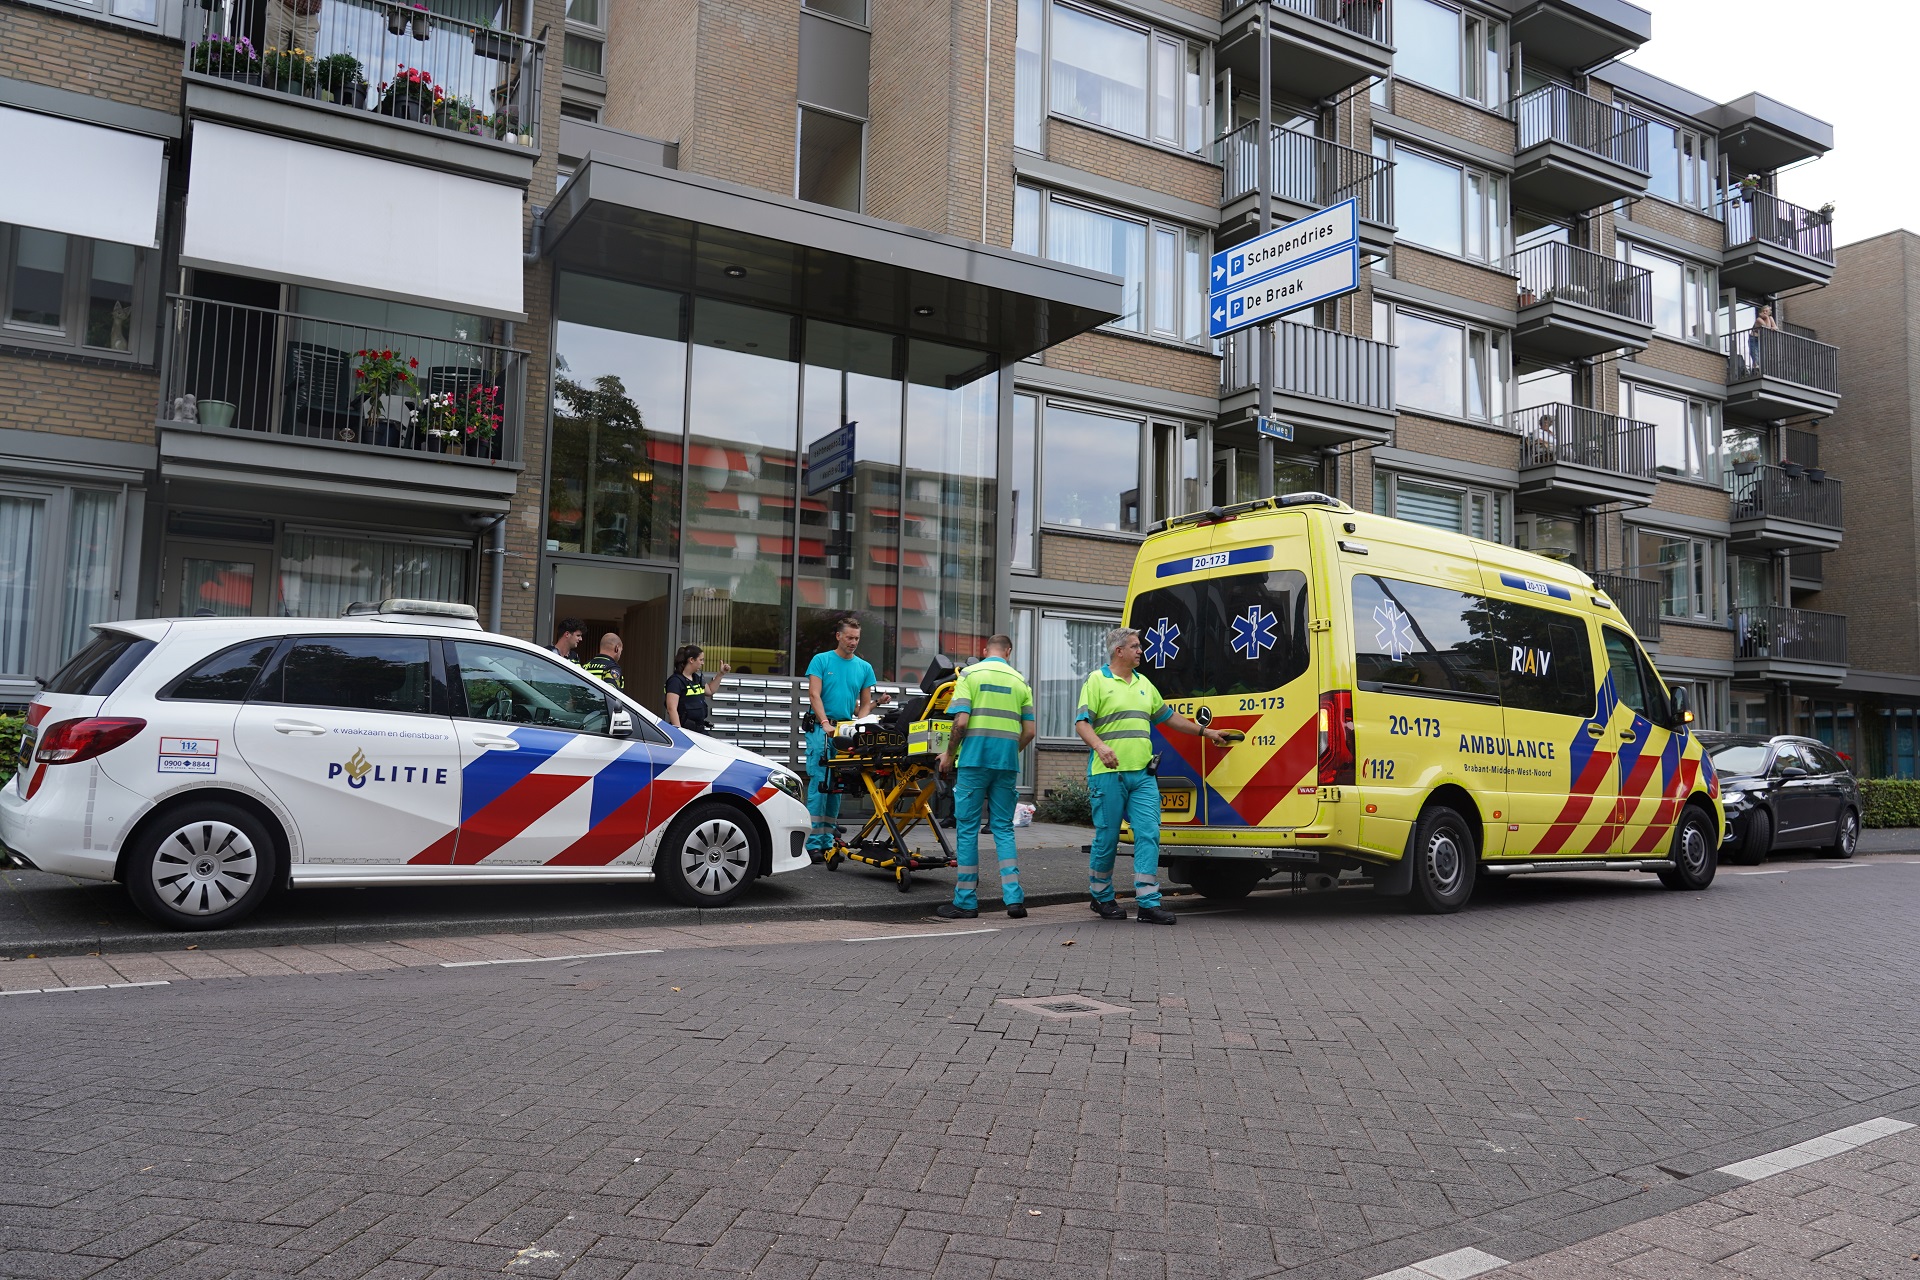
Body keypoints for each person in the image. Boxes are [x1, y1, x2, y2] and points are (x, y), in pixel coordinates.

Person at [1076, 627, 1231, 925]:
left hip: (1142, 775)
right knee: (1107, 839)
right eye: (1135, 646)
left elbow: (1168, 717)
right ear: (1118, 651)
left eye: (1140, 646)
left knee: (1148, 833)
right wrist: (1100, 746)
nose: (1140, 651)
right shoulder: (1097, 681)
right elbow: (1082, 723)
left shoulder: (1144, 683)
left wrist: (1207, 731)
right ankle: (1100, 896)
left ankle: (1148, 903)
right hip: (1107, 774)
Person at [935, 635, 1037, 921]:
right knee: (1003, 828)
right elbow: (1029, 732)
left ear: (984, 652)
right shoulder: (1021, 681)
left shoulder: (970, 674)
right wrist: (1008, 752)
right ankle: (1014, 899)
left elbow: (961, 721)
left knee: (967, 829)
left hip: (974, 761)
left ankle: (966, 902)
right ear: (1009, 652)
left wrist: (949, 755)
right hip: (1005, 764)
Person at [803, 614, 889, 859]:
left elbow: (863, 705)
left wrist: (860, 726)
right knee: (821, 783)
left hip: (845, 730)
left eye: (857, 638)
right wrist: (825, 723)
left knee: (837, 787)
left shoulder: (864, 668)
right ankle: (813, 844)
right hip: (822, 729)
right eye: (849, 637)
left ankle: (828, 840)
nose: (853, 642)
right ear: (838, 636)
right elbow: (814, 695)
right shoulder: (821, 661)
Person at [665, 644, 731, 733]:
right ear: (691, 660)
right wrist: (679, 733)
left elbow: (710, 691)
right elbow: (671, 708)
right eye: (701, 660)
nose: (702, 663)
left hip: (699, 729)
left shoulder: (696, 678)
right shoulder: (675, 681)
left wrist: (721, 674)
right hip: (685, 730)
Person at [1750, 304, 1780, 375]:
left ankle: (1759, 370)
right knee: (1755, 355)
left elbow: (1776, 327)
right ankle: (1755, 371)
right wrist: (1766, 318)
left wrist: (1774, 327)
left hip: (1761, 339)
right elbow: (1767, 327)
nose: (1766, 312)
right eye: (1764, 311)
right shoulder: (1759, 319)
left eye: (1767, 311)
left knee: (1761, 355)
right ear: (1762, 312)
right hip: (1753, 339)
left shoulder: (1771, 318)